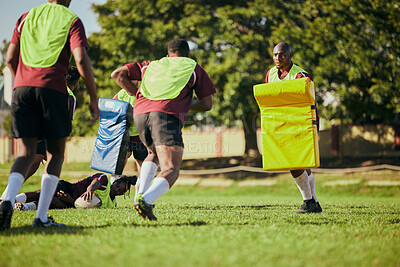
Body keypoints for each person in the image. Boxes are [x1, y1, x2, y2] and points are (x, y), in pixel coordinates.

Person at [0, 0, 99, 230]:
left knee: (24, 154)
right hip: (53, 89)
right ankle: (41, 218)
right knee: (55, 155)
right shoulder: (71, 20)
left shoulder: (26, 17)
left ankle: (5, 202)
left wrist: (21, 81)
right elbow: (81, 59)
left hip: (22, 89)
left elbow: (10, 58)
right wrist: (94, 97)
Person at [111, 38, 216, 220]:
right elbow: (207, 104)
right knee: (171, 169)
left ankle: (139, 196)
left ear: (167, 54)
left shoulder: (150, 65)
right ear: (187, 54)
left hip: (140, 113)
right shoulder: (192, 67)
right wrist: (180, 103)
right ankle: (146, 200)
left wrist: (137, 94)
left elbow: (117, 75)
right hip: (165, 116)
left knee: (152, 153)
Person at [265, 42, 322, 214]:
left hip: (302, 123)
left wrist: (312, 125)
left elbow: (309, 102)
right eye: (275, 54)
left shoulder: (301, 75)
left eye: (281, 54)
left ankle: (308, 201)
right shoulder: (270, 74)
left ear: (290, 55)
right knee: (301, 165)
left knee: (294, 163)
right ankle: (314, 203)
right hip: (282, 124)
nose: (278, 58)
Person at [13, 173, 137, 211]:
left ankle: (23, 208)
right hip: (69, 188)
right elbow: (96, 182)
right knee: (42, 193)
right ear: (115, 182)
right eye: (118, 186)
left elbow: (86, 206)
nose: (117, 190)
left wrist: (70, 200)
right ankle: (12, 200)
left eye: (121, 191)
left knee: (53, 202)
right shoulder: (104, 180)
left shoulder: (112, 204)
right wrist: (90, 189)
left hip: (71, 201)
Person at [110, 89, 148, 202]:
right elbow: (111, 108)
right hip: (124, 134)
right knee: (119, 163)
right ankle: (112, 196)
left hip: (140, 134)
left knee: (142, 163)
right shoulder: (121, 94)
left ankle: (140, 196)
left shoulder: (144, 92)